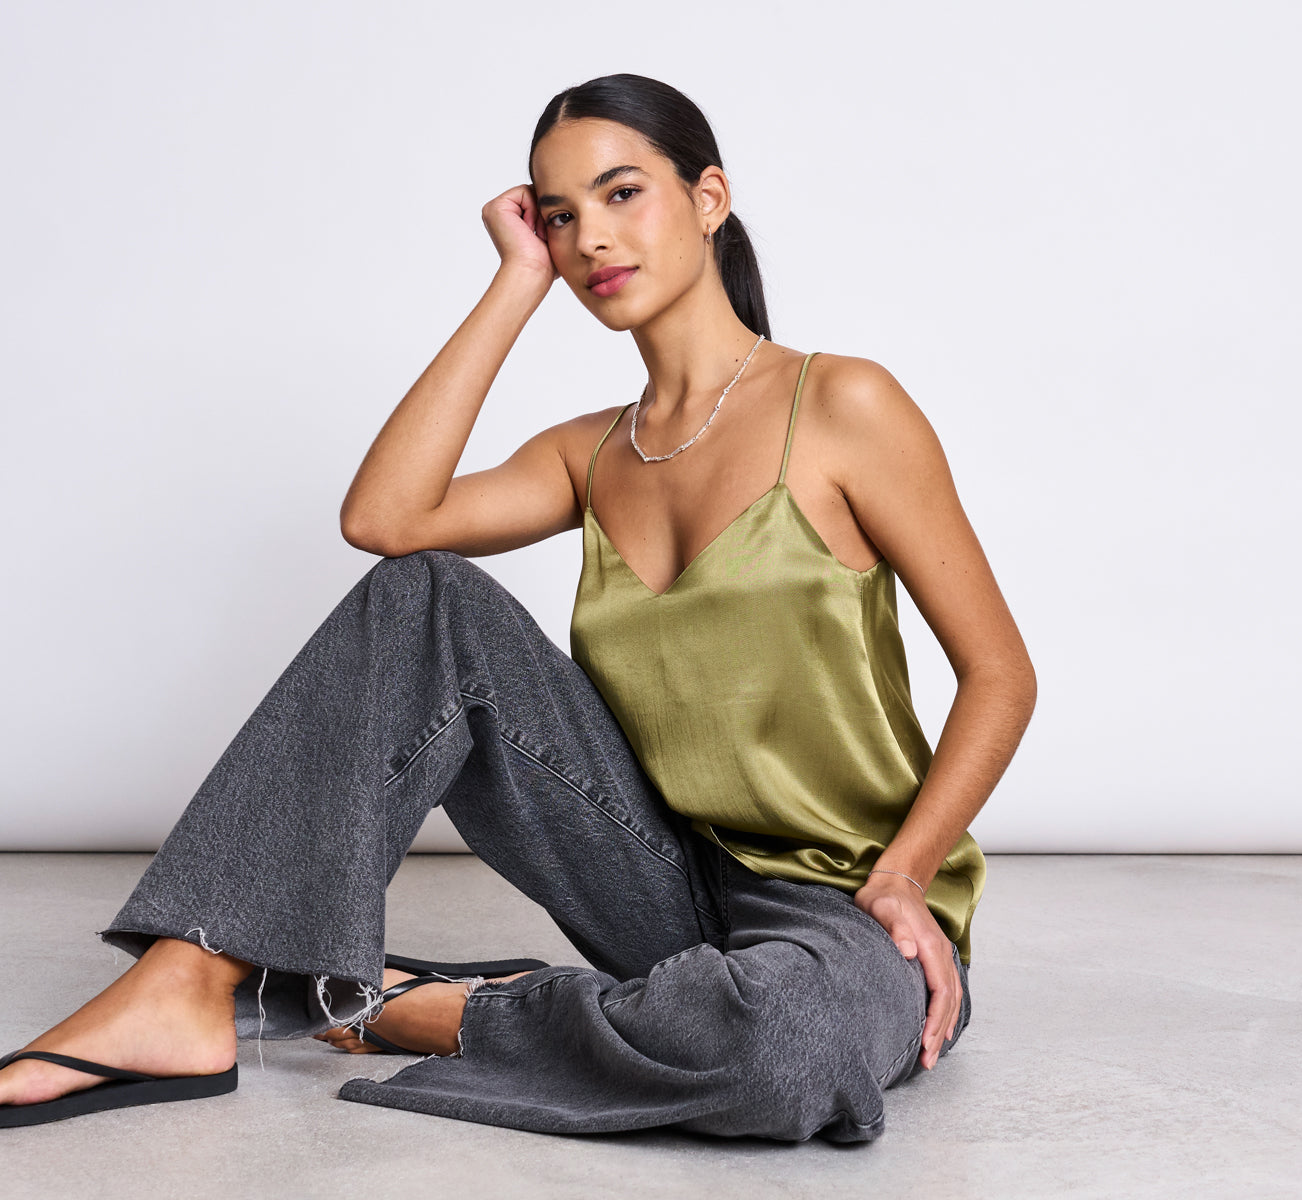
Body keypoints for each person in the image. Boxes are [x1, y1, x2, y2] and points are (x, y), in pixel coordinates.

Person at [0, 73, 1036, 1140]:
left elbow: (1002, 676)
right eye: (560, 214)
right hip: (658, 881)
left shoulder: (844, 405)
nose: (590, 237)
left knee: (783, 1048)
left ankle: (433, 1007)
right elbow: (388, 520)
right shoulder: (588, 452)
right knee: (426, 598)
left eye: (622, 193)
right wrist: (514, 281)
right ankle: (185, 978)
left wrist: (906, 877)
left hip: (847, 905)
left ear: (711, 197)